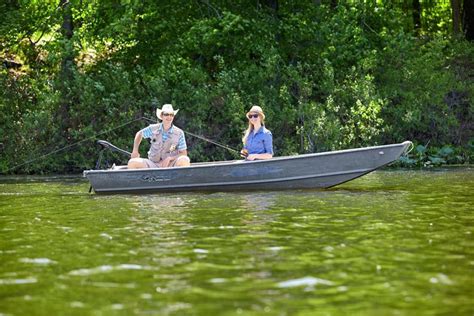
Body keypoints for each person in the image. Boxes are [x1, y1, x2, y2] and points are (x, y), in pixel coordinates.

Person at [127, 104, 191, 169]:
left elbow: (183, 153)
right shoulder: (152, 128)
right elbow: (139, 134)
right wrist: (135, 151)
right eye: (166, 114)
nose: (169, 117)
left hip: (170, 165)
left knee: (184, 160)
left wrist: (170, 159)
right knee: (132, 162)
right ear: (161, 116)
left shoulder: (179, 133)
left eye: (171, 115)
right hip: (152, 164)